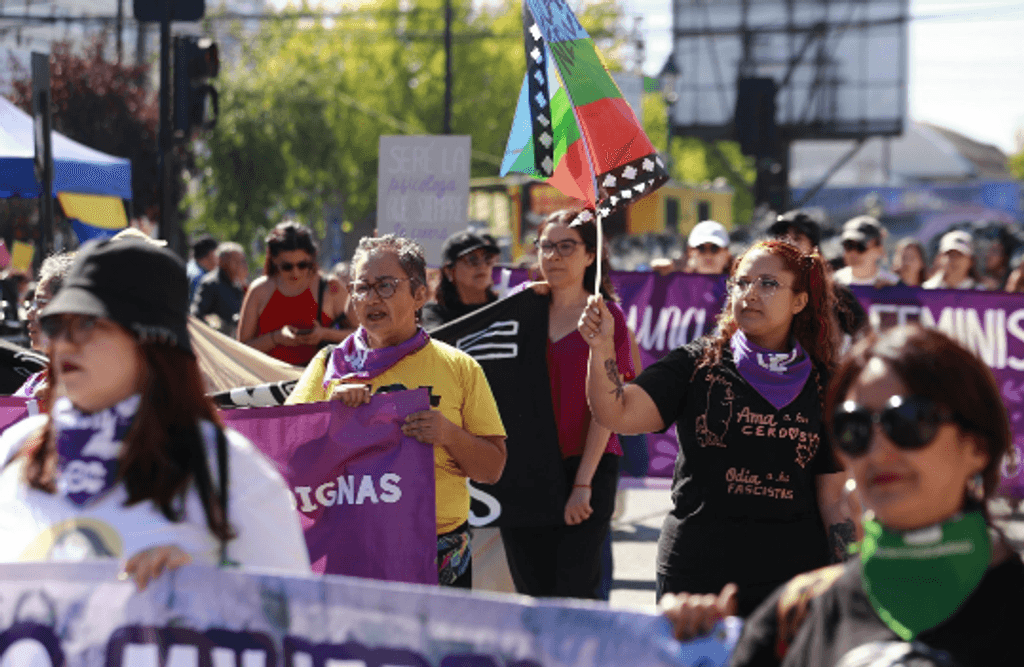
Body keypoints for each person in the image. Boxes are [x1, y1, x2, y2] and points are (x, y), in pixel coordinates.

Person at [0, 238, 310, 589]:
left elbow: (290, 618)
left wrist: (201, 588)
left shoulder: (228, 469)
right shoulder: (17, 450)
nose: (65, 342)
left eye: (87, 324)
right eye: (56, 324)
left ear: (152, 341)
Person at [580, 239, 852, 617]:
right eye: (742, 282)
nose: (750, 294)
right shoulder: (696, 365)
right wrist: (601, 346)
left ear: (800, 301)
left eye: (768, 284)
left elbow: (833, 498)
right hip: (696, 578)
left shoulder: (827, 385)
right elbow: (616, 413)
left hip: (790, 580)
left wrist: (849, 573)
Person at [723, 326, 1023, 666]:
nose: (878, 452)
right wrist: (683, 644)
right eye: (855, 427)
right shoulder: (795, 613)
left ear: (976, 447)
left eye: (909, 420)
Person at [285, 234, 507, 588]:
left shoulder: (460, 368)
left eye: (385, 286)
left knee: (437, 646)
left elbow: (492, 468)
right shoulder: (329, 366)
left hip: (438, 554)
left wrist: (448, 434)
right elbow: (288, 460)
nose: (371, 298)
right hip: (351, 550)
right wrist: (331, 411)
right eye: (361, 287)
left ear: (420, 295)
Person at [497, 209, 636, 600]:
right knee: (532, 593)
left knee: (574, 593)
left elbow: (608, 408)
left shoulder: (607, 318)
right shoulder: (520, 310)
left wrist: (582, 483)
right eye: (546, 246)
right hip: (525, 468)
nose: (554, 256)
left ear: (590, 255)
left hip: (586, 466)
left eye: (566, 247)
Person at [237, 221, 351, 366]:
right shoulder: (259, 289)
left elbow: (362, 335)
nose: (295, 272)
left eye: (302, 265)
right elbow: (241, 349)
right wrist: (276, 338)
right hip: (266, 380)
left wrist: (324, 334)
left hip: (316, 381)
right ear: (273, 259)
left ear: (312, 258)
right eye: (286, 267)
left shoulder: (330, 287)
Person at [768, 210, 868, 341]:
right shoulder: (761, 286)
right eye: (782, 237)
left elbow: (865, 335)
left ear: (813, 248)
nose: (788, 243)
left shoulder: (834, 292)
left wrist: (843, 361)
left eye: (797, 238)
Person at [14, 252, 76, 398]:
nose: (30, 313)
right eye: (31, 303)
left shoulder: (89, 392)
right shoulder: (34, 382)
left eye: (41, 302)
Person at [421, 231, 501, 330]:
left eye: (487, 258)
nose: (482, 265)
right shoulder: (435, 314)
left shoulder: (504, 306)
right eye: (472, 259)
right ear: (449, 271)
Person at [191, 242, 248, 336]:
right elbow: (197, 314)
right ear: (221, 261)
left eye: (241, 261)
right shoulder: (211, 283)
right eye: (235, 261)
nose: (240, 265)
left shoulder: (238, 285)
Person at [832, 216, 897, 288]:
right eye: (848, 246)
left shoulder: (893, 284)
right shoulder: (834, 283)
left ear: (879, 248)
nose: (853, 252)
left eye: (860, 246)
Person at [652, 220, 732, 276]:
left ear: (727, 253)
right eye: (701, 248)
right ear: (690, 252)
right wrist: (667, 270)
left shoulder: (739, 286)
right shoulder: (679, 286)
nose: (708, 255)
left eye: (715, 248)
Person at [187, 234, 219, 304]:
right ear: (211, 254)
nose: (219, 259)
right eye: (217, 254)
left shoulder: (190, 266)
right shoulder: (199, 278)